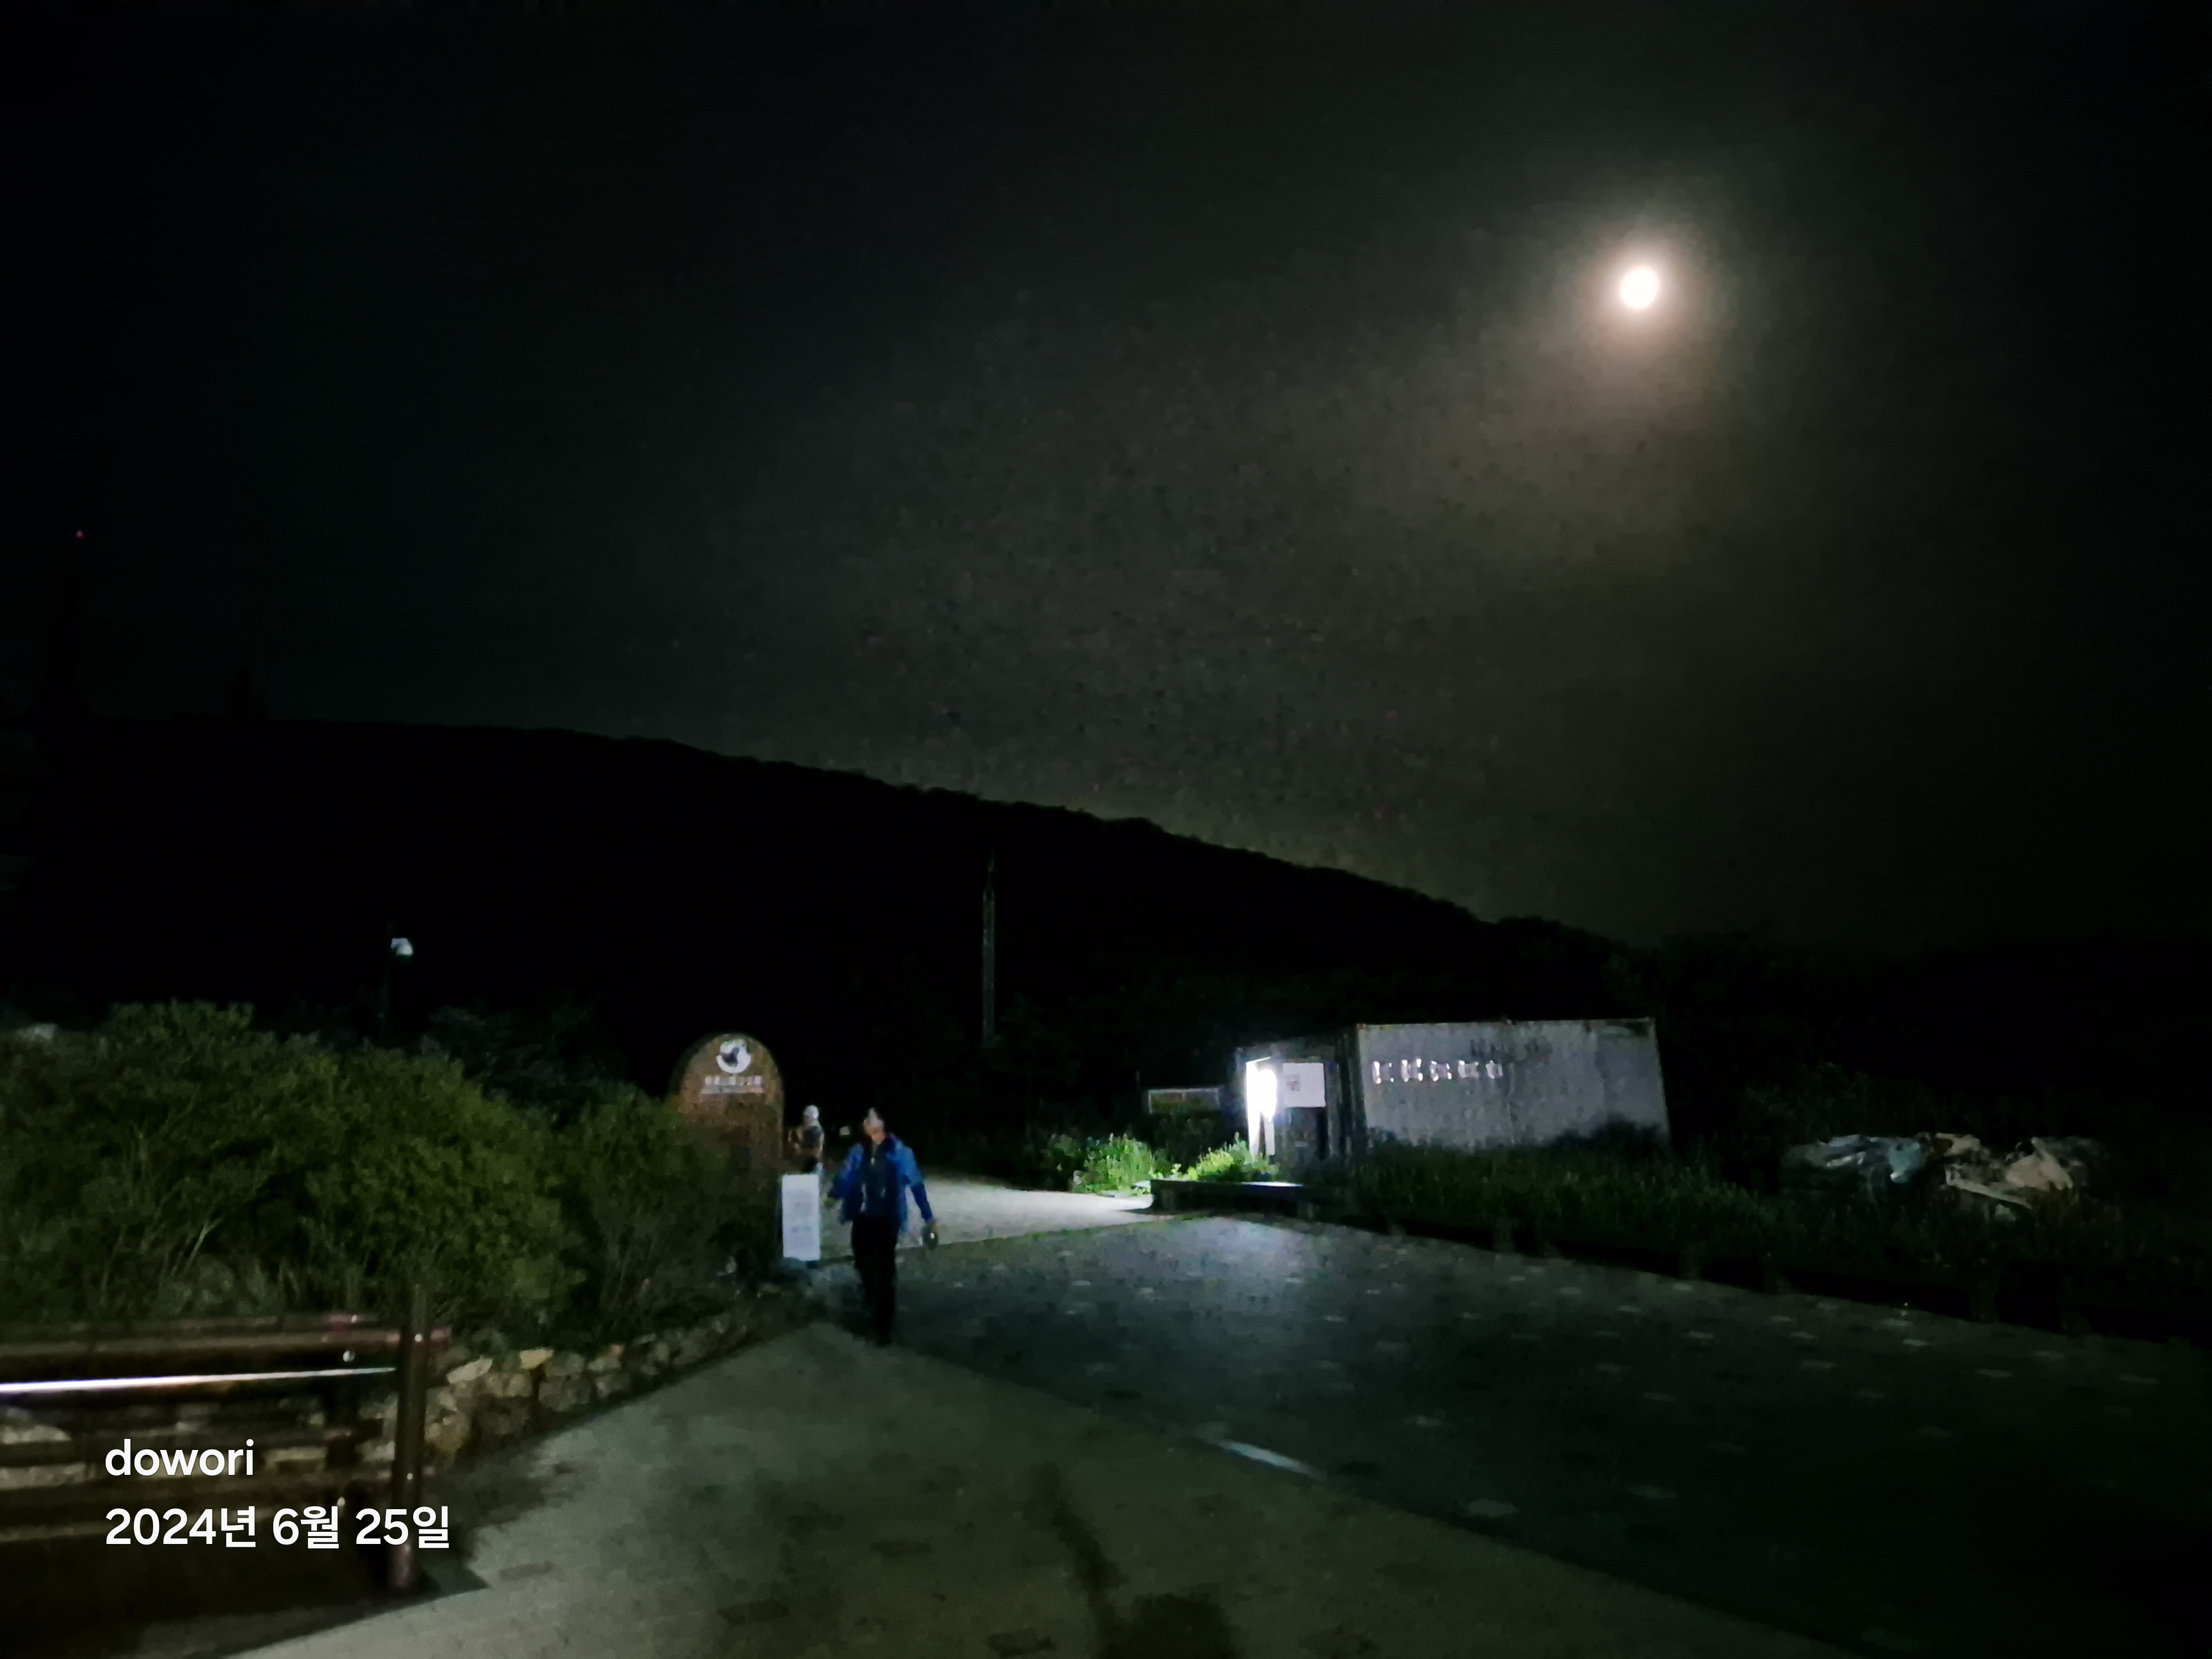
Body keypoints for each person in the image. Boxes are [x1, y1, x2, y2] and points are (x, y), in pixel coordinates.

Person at [827, 1109, 938, 1344]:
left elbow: (917, 1186)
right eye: (865, 1118)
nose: (865, 1122)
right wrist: (834, 1195)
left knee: (886, 1271)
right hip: (863, 1217)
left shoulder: (901, 1152)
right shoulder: (858, 1151)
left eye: (871, 1118)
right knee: (864, 1264)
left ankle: (884, 1327)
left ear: (883, 1123)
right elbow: (846, 1177)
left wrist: (929, 1217)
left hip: (888, 1219)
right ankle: (871, 1301)